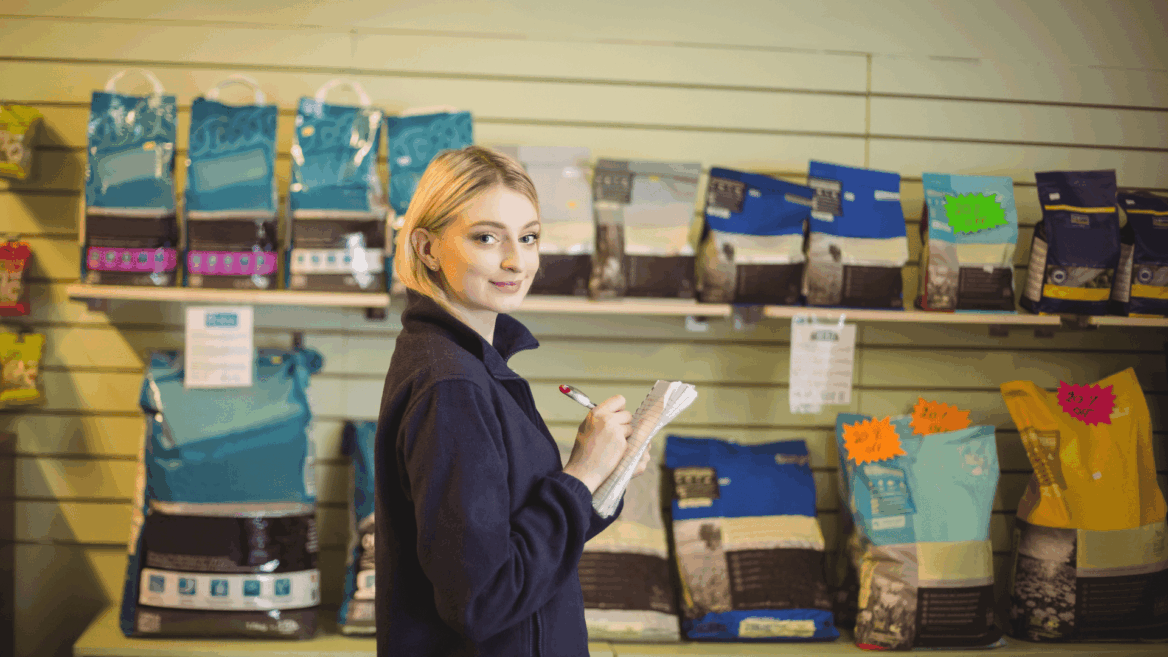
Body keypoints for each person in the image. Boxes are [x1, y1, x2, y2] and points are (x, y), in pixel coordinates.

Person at [374, 145, 652, 656]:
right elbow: (484, 599)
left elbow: (524, 548)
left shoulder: (470, 368)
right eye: (486, 238)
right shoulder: (451, 387)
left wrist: (601, 478)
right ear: (427, 248)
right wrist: (580, 475)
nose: (515, 261)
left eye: (528, 238)